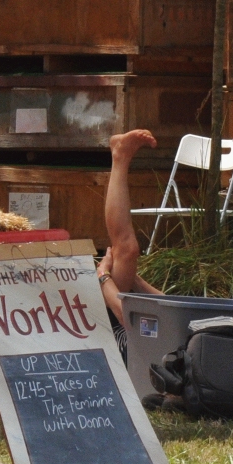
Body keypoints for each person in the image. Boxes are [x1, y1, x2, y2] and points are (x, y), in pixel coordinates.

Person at [98, 129, 165, 357]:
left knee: (126, 249)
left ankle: (120, 158)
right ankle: (120, 158)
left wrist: (103, 278)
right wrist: (133, 279)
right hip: (126, 326)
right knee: (128, 250)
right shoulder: (192, 337)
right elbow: (170, 306)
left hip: (109, 332)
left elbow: (124, 316)